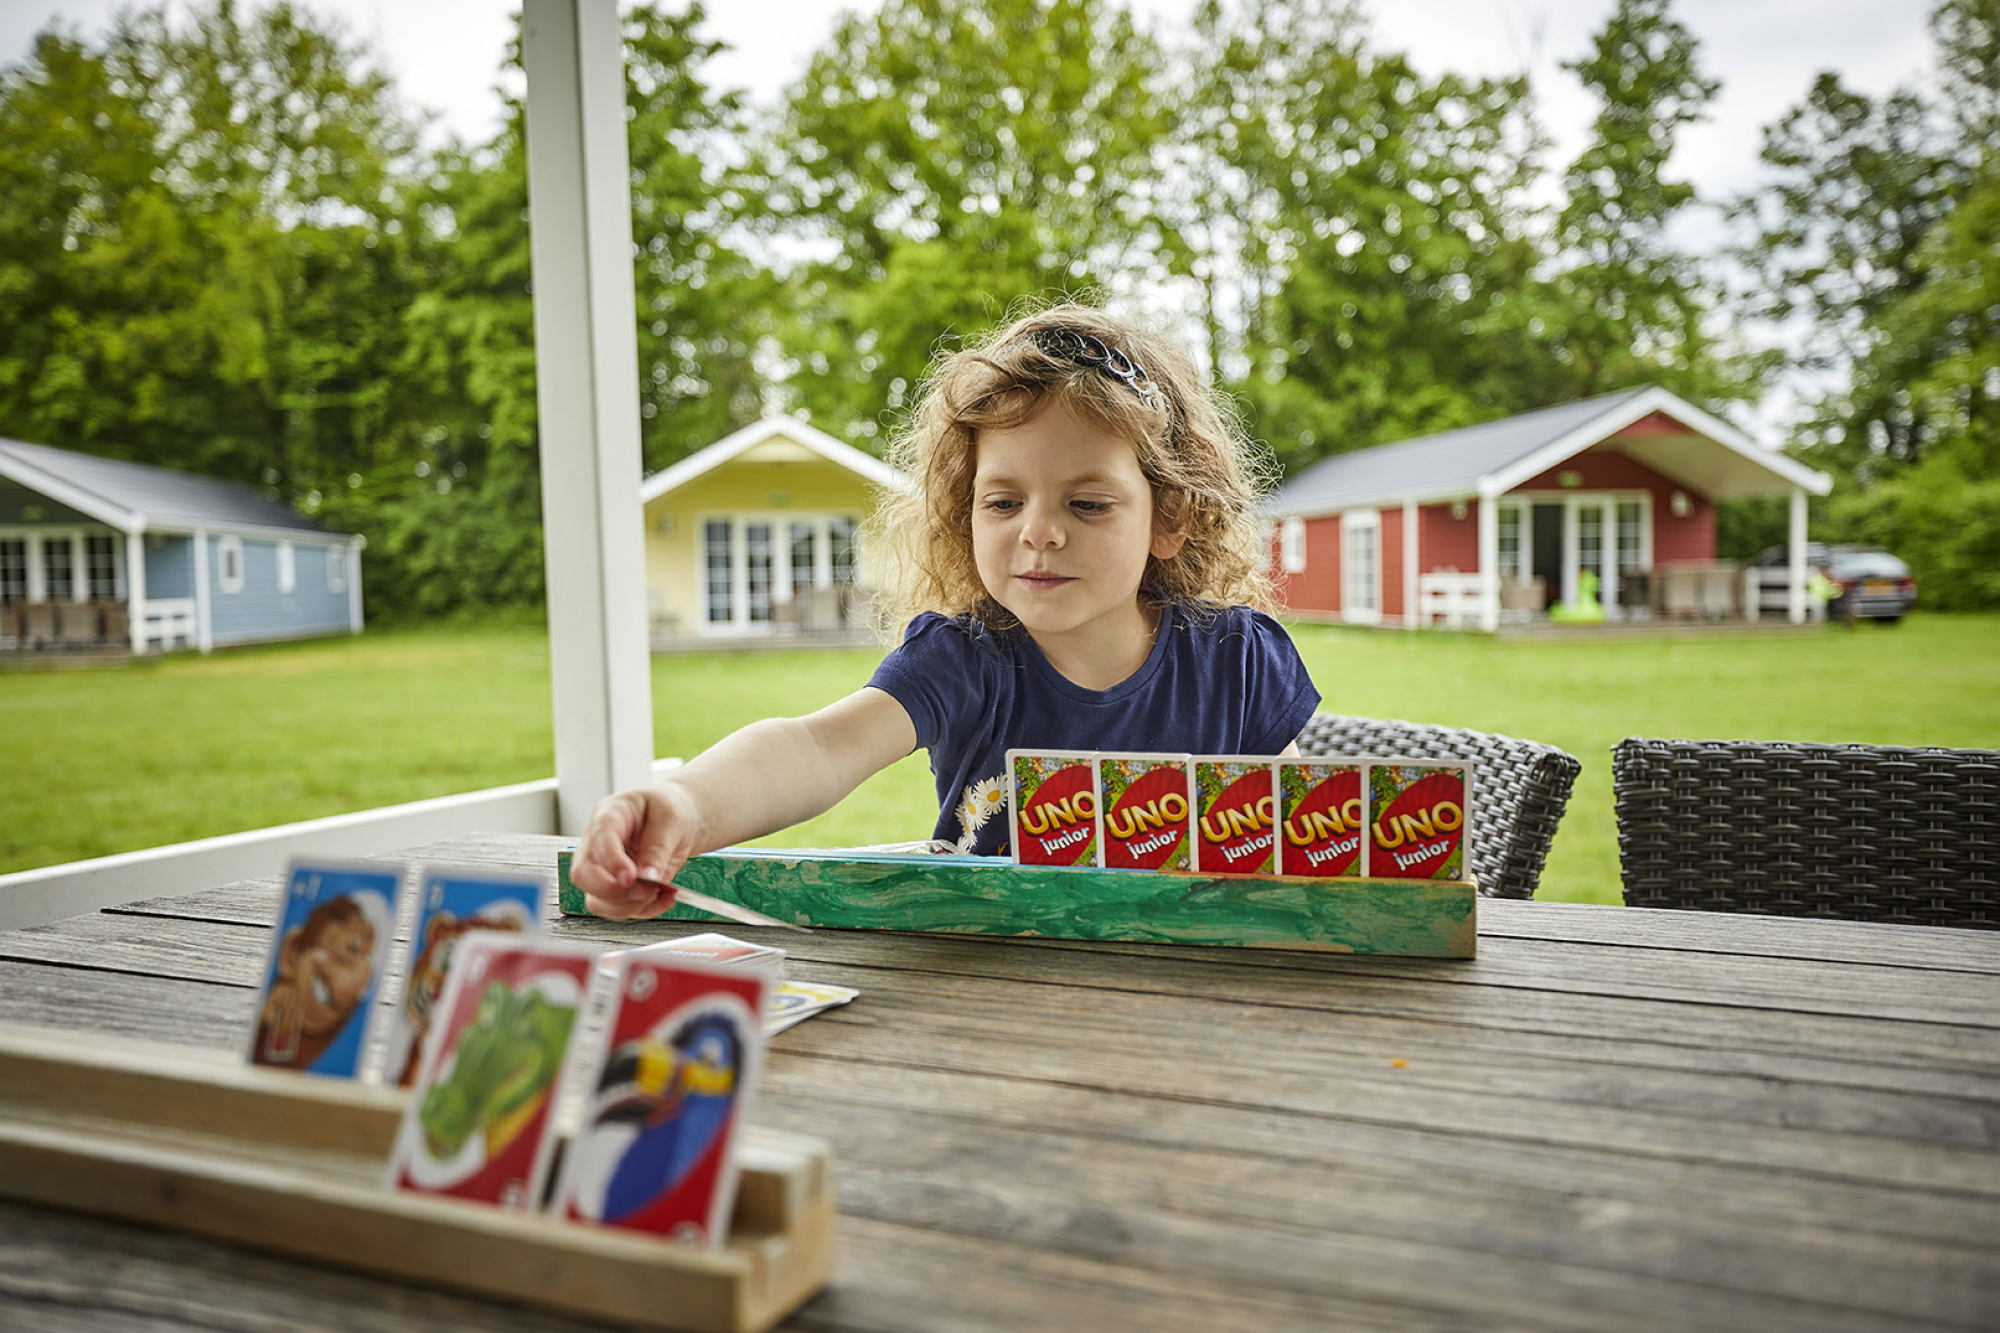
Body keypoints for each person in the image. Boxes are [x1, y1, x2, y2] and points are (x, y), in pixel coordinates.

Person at [571, 303, 1323, 920]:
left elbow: (1310, 834)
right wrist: (682, 803)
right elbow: (816, 748)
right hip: (985, 1003)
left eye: (1087, 502)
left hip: (1200, 1005)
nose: (1038, 531)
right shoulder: (966, 659)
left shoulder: (1238, 661)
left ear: (1171, 517)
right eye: (1002, 501)